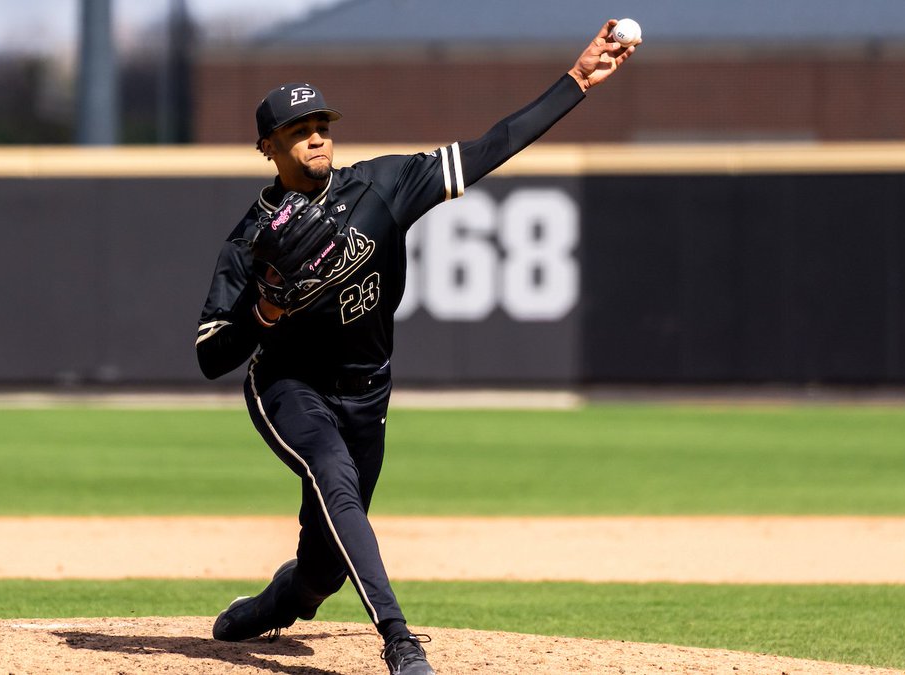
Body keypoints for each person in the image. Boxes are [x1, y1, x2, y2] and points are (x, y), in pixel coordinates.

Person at [195, 19, 639, 675]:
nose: (315, 136)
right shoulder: (251, 242)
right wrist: (266, 307)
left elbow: (491, 146)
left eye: (321, 125)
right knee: (334, 476)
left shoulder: (382, 187)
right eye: (296, 130)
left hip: (367, 391)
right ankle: (400, 640)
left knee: (323, 569)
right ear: (268, 146)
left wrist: (576, 80)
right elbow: (211, 354)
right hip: (290, 385)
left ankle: (275, 602)